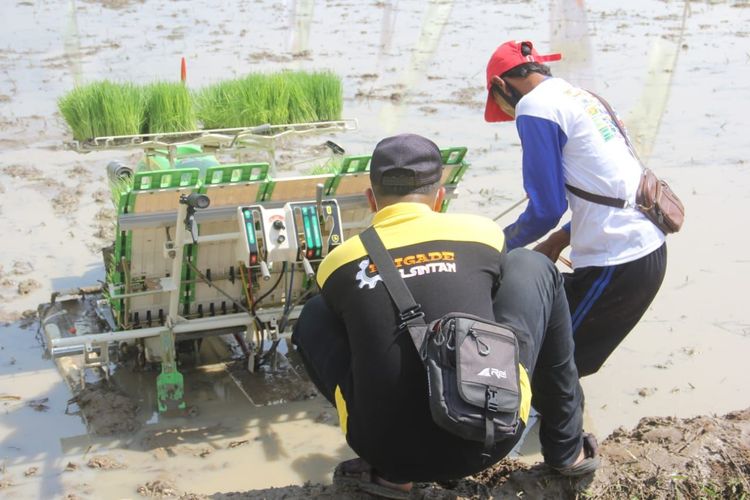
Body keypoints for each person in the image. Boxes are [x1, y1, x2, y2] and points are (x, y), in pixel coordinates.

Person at [292, 133, 598, 498]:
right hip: (490, 436)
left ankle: (389, 478)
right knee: (532, 265)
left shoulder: (338, 263)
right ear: (440, 197)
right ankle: (568, 452)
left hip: (388, 453)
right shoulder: (482, 234)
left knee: (313, 315)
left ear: (371, 200)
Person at [484, 40, 668, 377]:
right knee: (554, 356)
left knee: (550, 366)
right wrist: (560, 239)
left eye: (502, 107)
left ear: (500, 85)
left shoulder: (533, 108)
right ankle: (562, 428)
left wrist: (491, 249)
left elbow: (545, 209)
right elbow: (614, 184)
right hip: (646, 247)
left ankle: (562, 432)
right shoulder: (584, 98)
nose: (509, 114)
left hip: (617, 260)